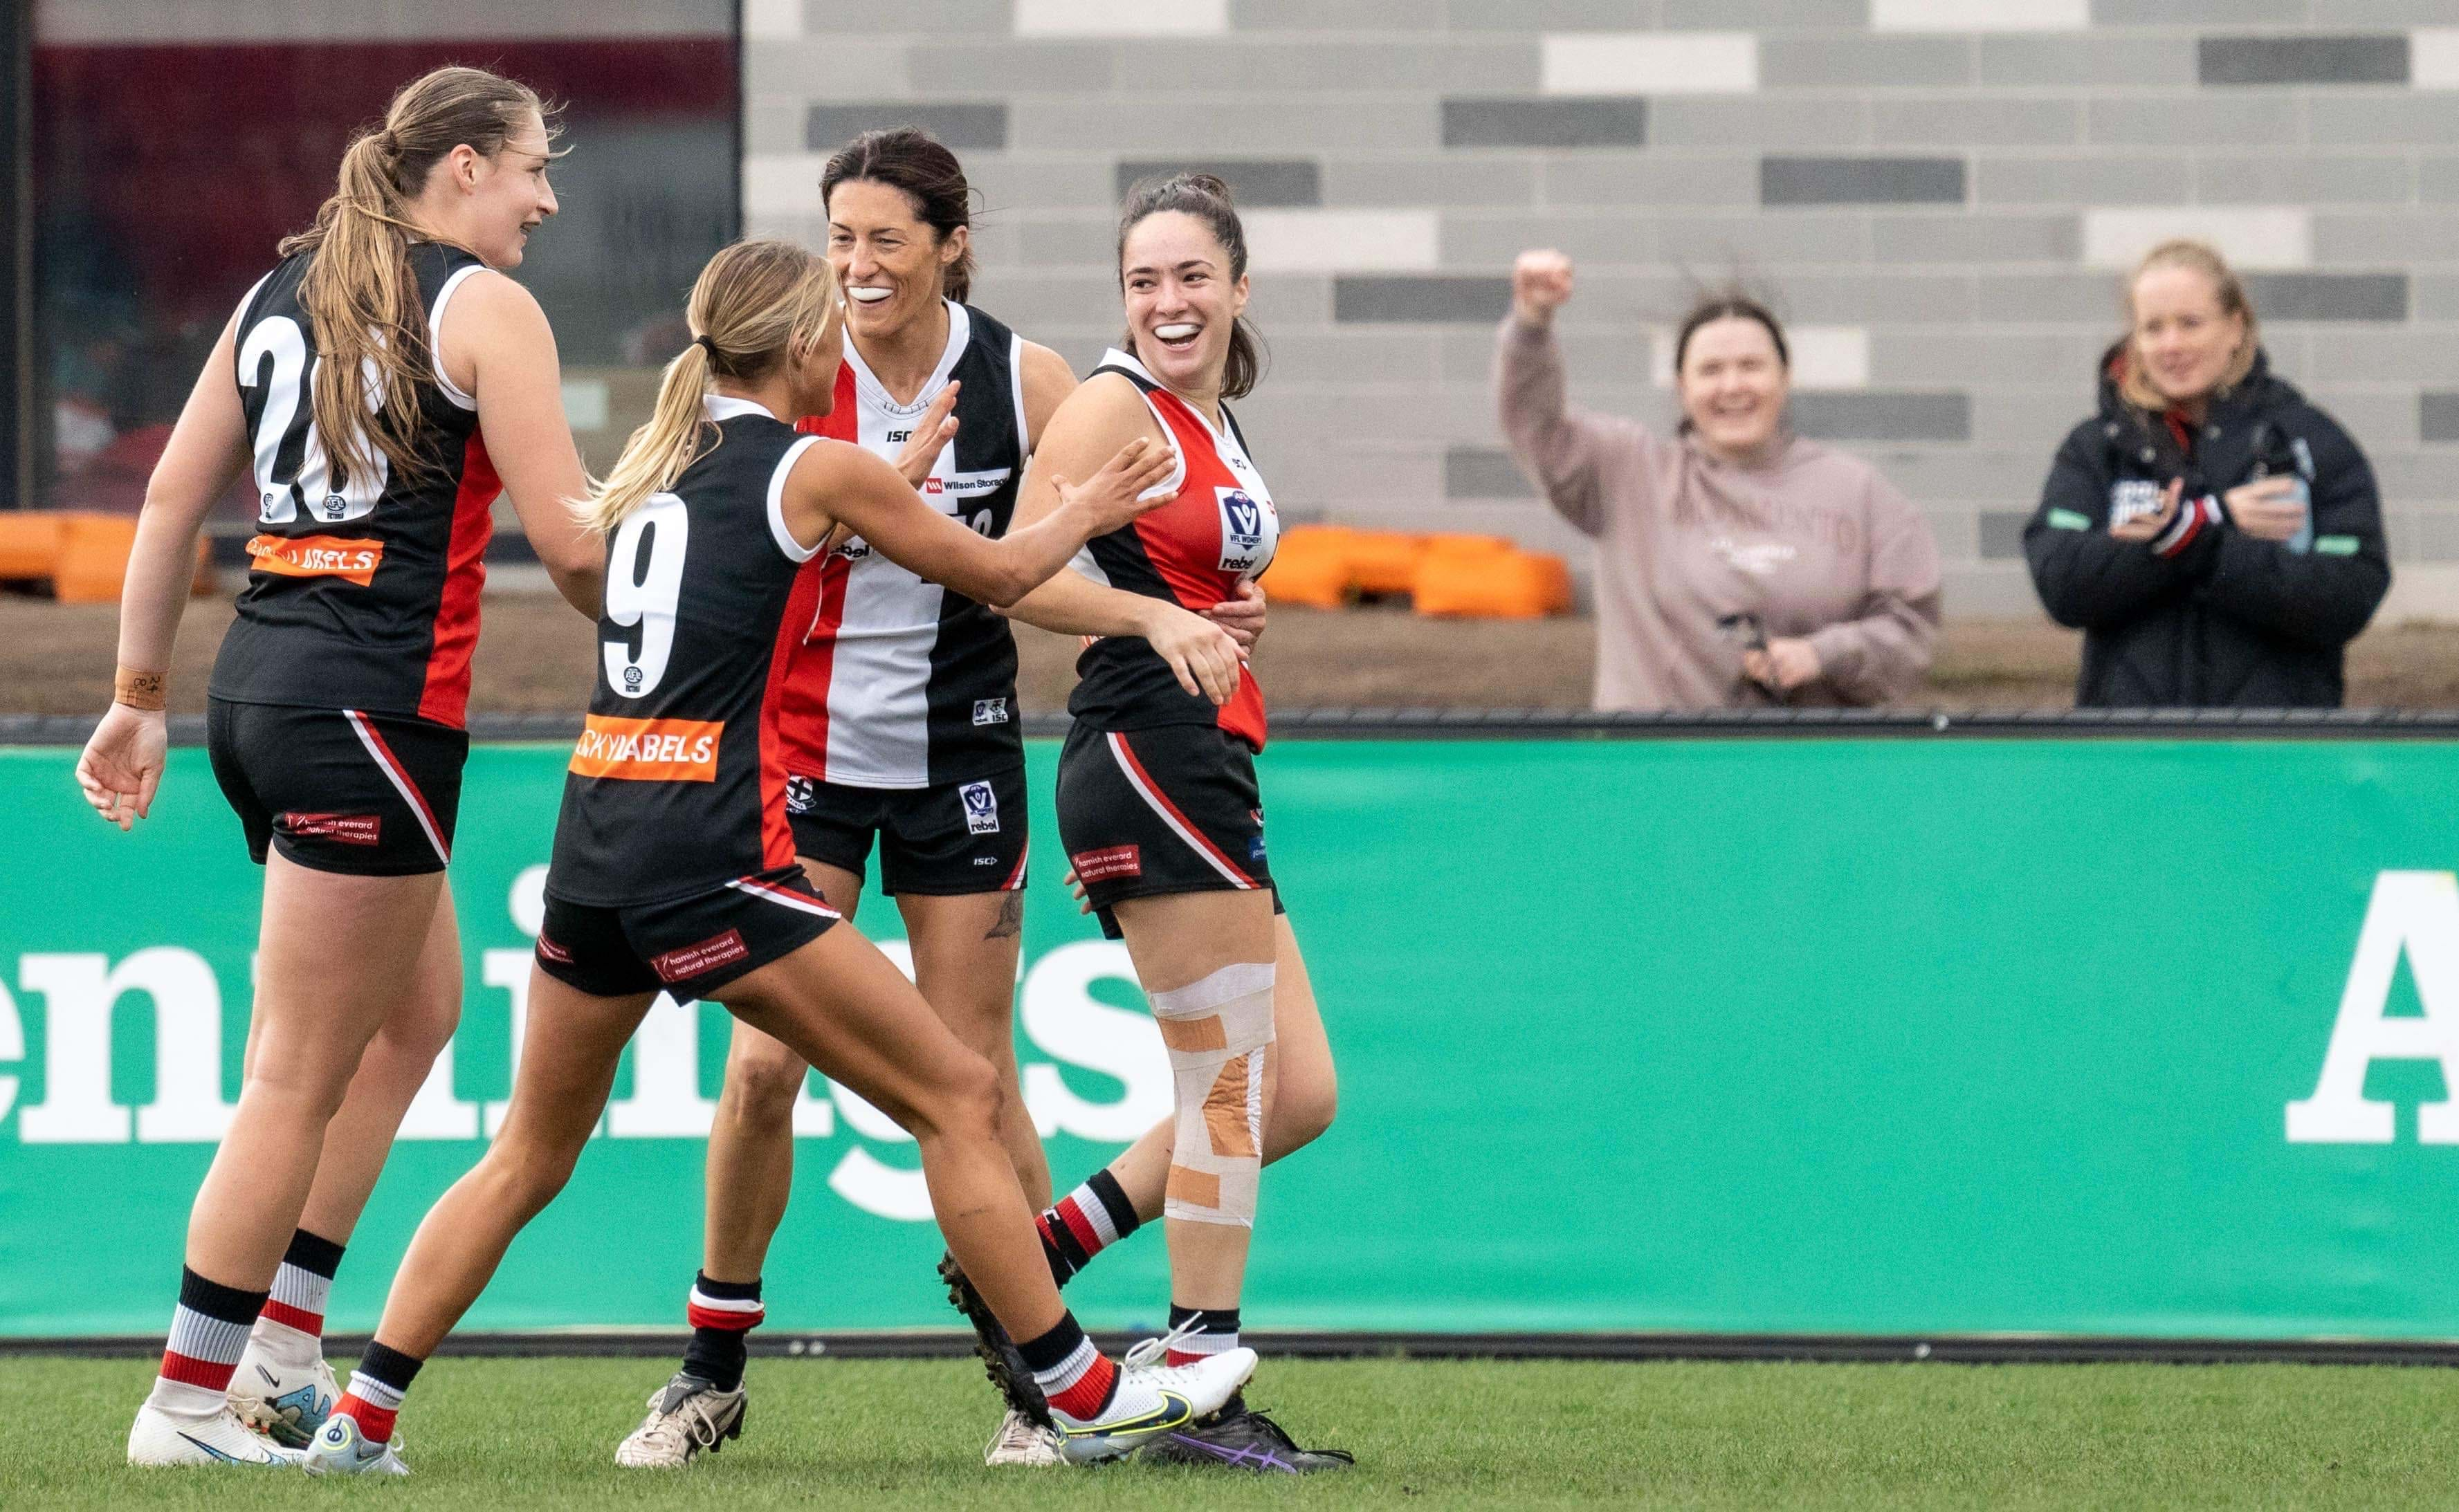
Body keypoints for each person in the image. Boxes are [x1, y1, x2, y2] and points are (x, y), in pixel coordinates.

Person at [298, 237, 1257, 1477]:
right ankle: (1076, 1391)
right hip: (711, 856)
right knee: (958, 1096)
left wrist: (873, 498)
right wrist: (1086, 507)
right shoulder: (817, 465)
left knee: (528, 1153)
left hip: (594, 849)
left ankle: (362, 1416)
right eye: (829, 329)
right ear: (802, 344)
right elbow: (1009, 573)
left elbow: (754, 597)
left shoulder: (665, 462)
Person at [612, 129, 1268, 1472]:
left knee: (972, 1086)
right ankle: (709, 1372)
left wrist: (1174, 607)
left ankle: (1043, 1394)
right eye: (839, 238)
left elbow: (1032, 572)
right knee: (760, 1070)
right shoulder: (796, 370)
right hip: (799, 752)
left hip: (959, 757)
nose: (854, 265)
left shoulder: (1022, 376)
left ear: (950, 245)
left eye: (883, 240)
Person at [76, 66, 604, 1469]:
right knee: (295, 1072)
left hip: (266, 695)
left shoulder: (279, 295)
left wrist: (139, 698)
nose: (548, 197)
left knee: (414, 1016)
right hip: (370, 712)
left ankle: (282, 1348)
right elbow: (571, 543)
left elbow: (173, 496)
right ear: (466, 166)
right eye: (533, 167)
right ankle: (187, 1404)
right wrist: (716, 596)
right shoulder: (486, 306)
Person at [989, 172, 1349, 1473]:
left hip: (1209, 749)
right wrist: (1156, 618)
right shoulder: (1109, 404)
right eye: (1143, 279)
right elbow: (1014, 575)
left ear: (1238, 286)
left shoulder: (1211, 414)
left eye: (1191, 275)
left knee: (1295, 1089)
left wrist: (1211, 609)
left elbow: (1176, 570)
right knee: (1227, 1085)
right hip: (1145, 749)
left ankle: (1031, 1262)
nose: (1167, 300)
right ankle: (1197, 1382)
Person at [1497, 250, 1941, 711]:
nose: (1732, 387)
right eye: (1710, 370)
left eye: (1751, 366)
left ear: (1784, 378)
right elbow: (1535, 424)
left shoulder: (1861, 493)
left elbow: (1911, 630)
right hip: (1656, 766)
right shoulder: (1626, 473)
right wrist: (1531, 323)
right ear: (1681, 388)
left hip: (1808, 766)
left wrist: (1821, 654)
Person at [2024, 239, 2391, 706]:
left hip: (2277, 751)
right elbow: (2062, 583)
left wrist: (2200, 543)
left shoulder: (2309, 443)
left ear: (2235, 327)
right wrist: (2209, 520)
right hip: (2130, 752)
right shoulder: (2095, 448)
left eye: (2190, 323)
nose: (2171, 345)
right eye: (2153, 328)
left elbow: (2349, 595)